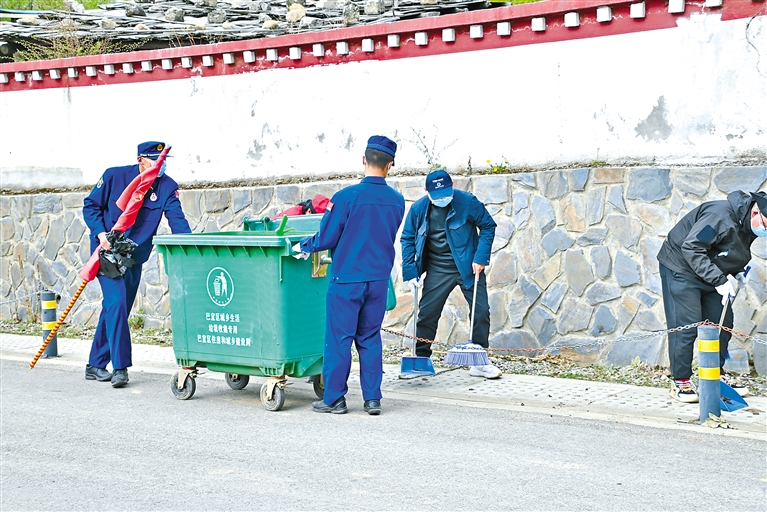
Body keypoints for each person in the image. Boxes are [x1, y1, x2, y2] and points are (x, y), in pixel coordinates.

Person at [295, 136, 405, 415]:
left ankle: (334, 399)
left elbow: (326, 237)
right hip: (378, 280)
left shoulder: (345, 198)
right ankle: (372, 399)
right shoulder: (397, 201)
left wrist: (303, 246)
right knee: (370, 338)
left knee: (339, 339)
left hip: (346, 279)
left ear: (363, 160)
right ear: (390, 164)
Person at [82, 141, 191, 388]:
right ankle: (120, 368)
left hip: (133, 257)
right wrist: (100, 234)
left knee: (116, 308)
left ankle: (94, 365)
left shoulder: (167, 186)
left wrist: (190, 247)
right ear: (141, 159)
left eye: (163, 160)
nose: (161, 165)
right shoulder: (114, 176)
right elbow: (91, 206)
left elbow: (178, 221)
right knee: (116, 302)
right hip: (107, 253)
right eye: (155, 160)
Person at [657, 190, 766, 403]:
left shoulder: (747, 222)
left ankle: (714, 375)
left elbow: (730, 248)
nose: (765, 231)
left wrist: (737, 271)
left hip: (709, 270)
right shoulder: (719, 216)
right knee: (685, 326)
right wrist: (719, 280)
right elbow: (692, 247)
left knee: (722, 323)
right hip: (681, 268)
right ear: (756, 212)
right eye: (766, 226)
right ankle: (680, 380)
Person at [400, 170, 501, 379]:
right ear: (426, 191)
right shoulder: (418, 208)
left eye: (445, 193)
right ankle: (420, 360)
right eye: (437, 195)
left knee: (481, 311)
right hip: (437, 267)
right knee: (427, 314)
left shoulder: (468, 202)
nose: (442, 199)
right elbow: (407, 238)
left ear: (452, 185)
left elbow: (488, 225)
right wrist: (411, 272)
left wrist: (481, 257)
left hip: (468, 266)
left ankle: (479, 362)